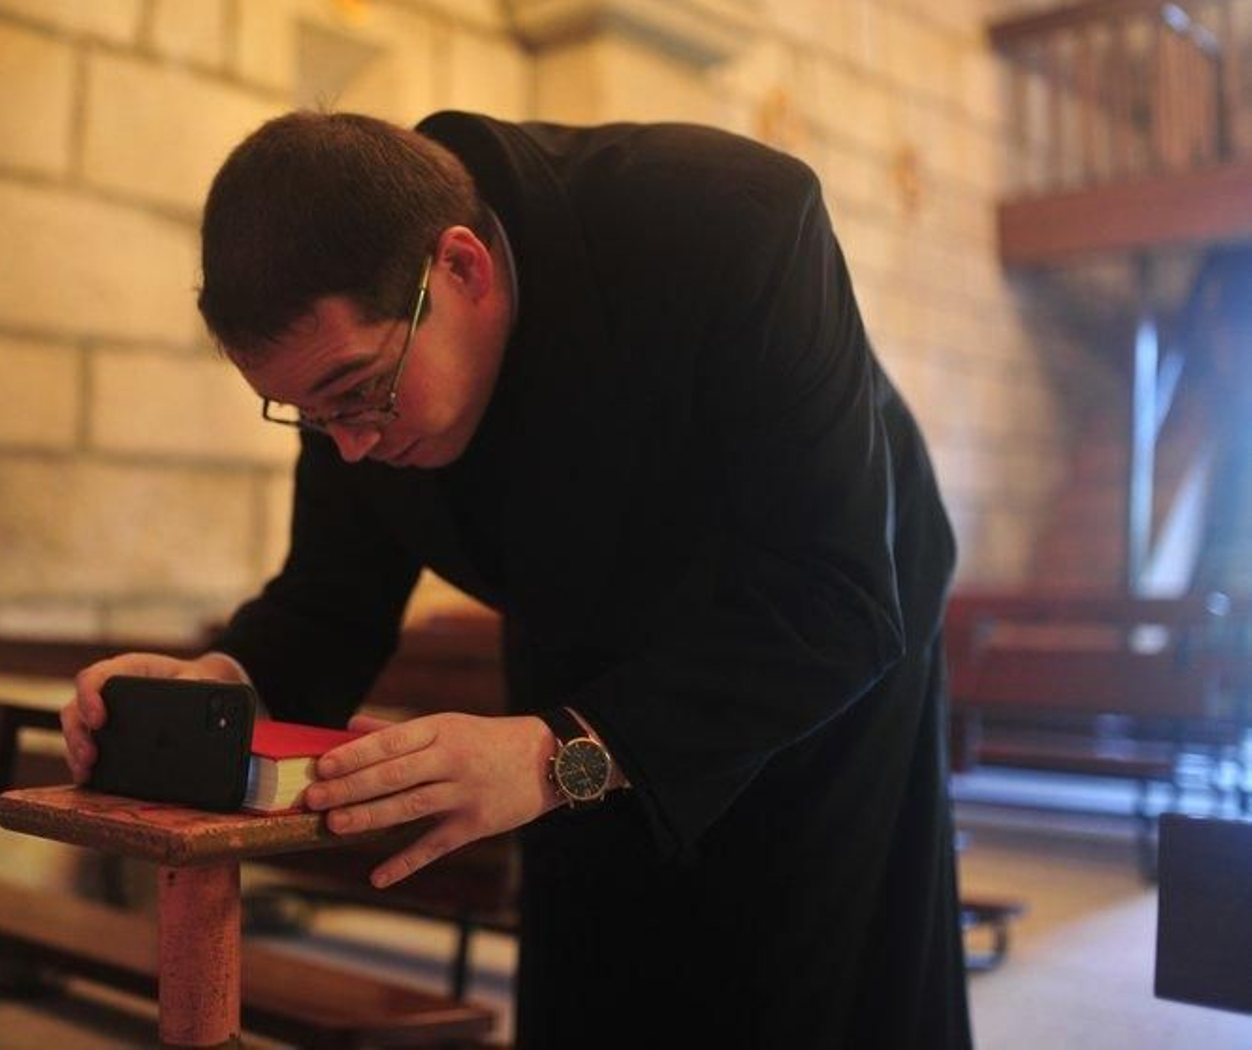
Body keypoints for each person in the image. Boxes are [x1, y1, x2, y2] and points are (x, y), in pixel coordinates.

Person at [62, 109, 971, 1047]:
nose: (352, 443)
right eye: (307, 414)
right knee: (591, 952)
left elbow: (837, 600)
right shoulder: (353, 381)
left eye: (358, 392)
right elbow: (332, 602)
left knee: (796, 967)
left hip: (823, 636)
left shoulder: (729, 219)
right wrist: (226, 682)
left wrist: (552, 753)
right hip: (583, 644)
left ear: (461, 269)